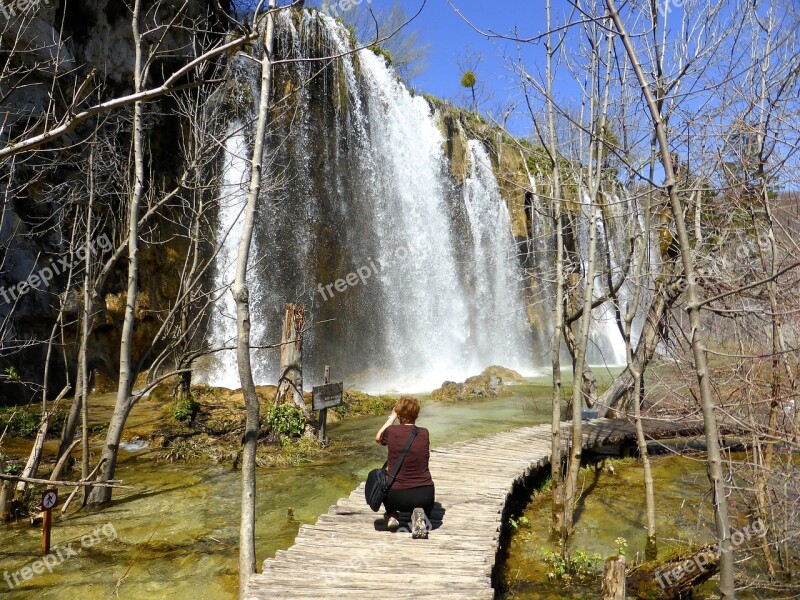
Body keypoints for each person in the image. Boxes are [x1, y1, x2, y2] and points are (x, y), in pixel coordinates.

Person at [374, 397, 435, 538]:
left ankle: (392, 515)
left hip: (396, 497)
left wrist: (392, 416)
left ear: (398, 413)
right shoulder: (424, 433)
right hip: (424, 495)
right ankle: (418, 513)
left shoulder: (391, 432)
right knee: (417, 491)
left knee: (383, 478)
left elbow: (378, 438)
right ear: (417, 414)